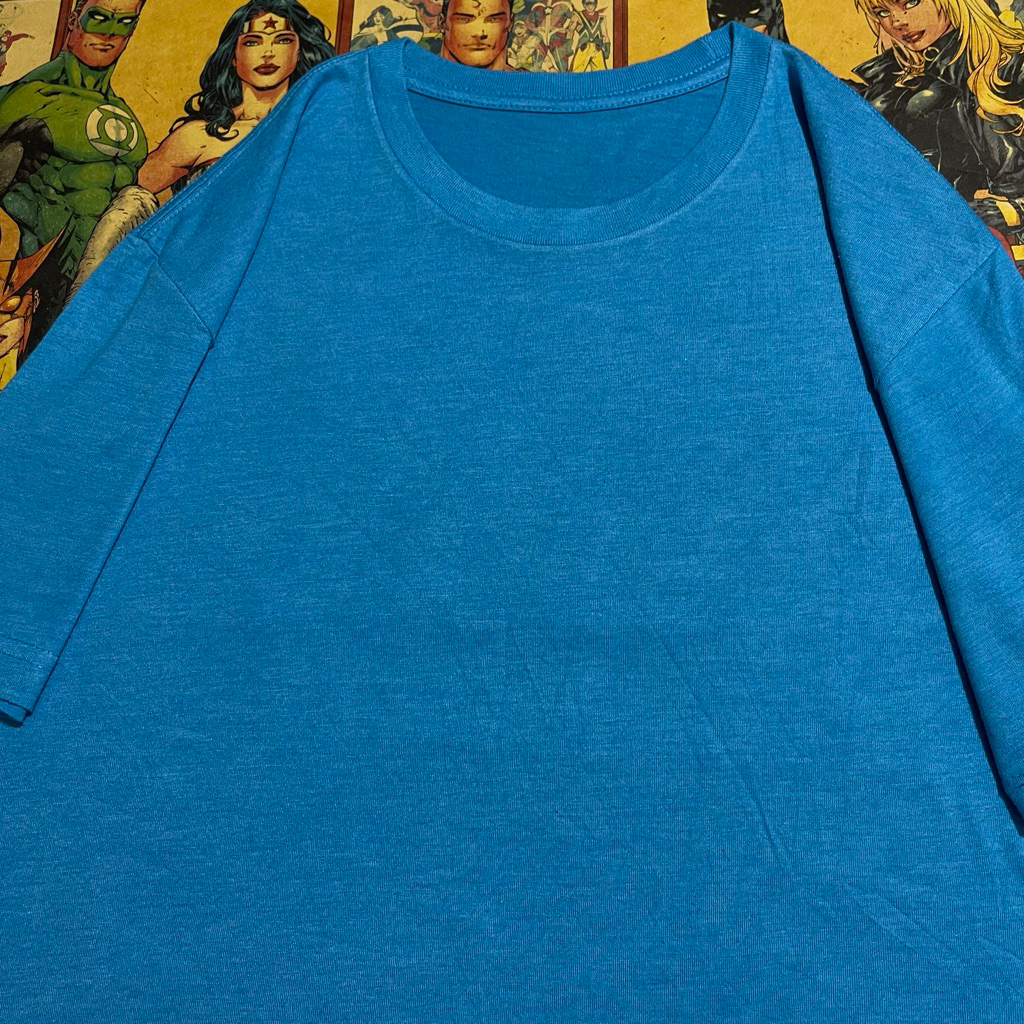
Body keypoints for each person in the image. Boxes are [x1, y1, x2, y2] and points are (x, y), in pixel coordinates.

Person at [0, 0, 148, 344]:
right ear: (72, 20)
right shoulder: (29, 96)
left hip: (109, 289)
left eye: (124, 23)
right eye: (99, 18)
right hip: (44, 285)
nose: (109, 33)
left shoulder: (123, 112)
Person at [849, 0, 1024, 270]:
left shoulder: (1012, 67)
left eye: (911, 2)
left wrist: (1010, 211)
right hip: (932, 258)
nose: (898, 21)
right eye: (883, 12)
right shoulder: (894, 87)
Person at [138, 1, 333, 197]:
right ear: (233, 55)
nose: (268, 53)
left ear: (299, 52)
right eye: (252, 42)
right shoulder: (197, 137)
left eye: (283, 40)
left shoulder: (319, 132)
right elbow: (129, 194)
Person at [439, 0, 514, 69]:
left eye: (494, 19)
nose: (479, 33)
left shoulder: (521, 79)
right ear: (442, 23)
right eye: (464, 19)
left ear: (511, 23)